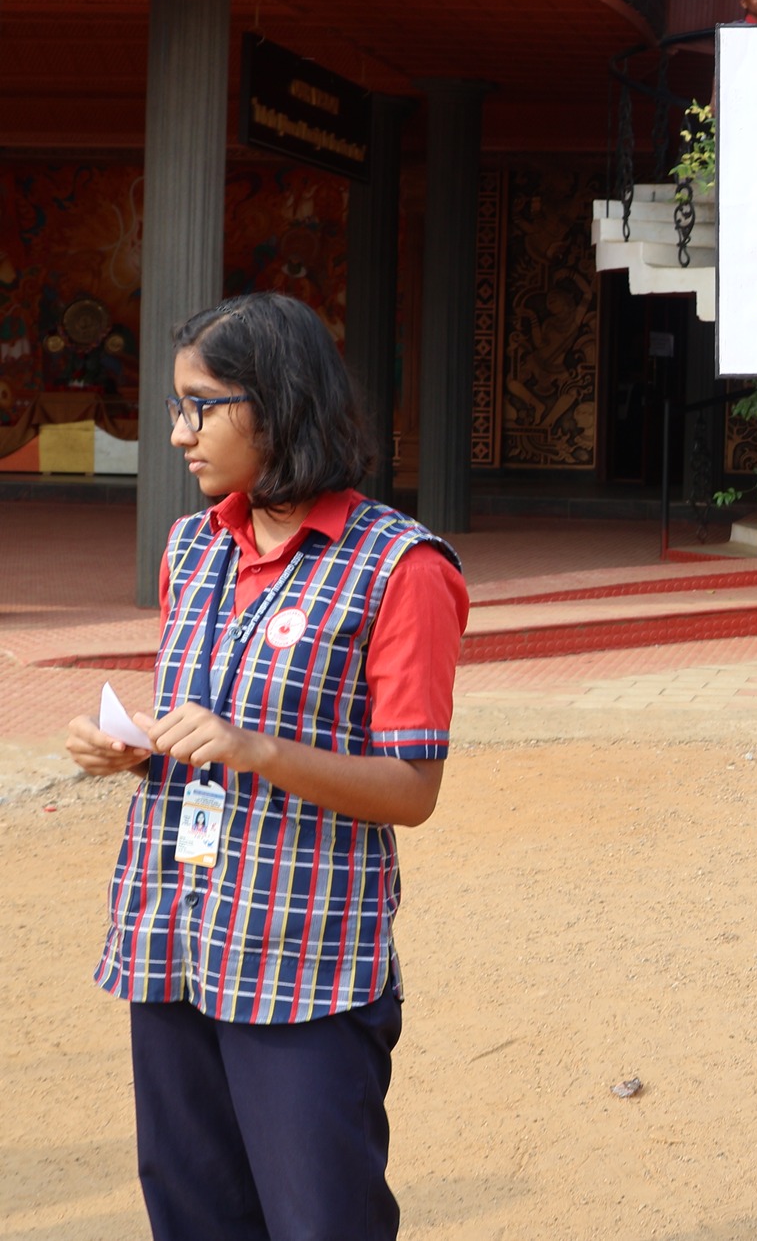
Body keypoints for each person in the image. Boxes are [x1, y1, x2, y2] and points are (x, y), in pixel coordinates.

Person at [62, 292, 468, 1241]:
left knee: (319, 1220)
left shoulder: (401, 569)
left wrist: (257, 752)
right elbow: (194, 727)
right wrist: (128, 749)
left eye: (200, 406)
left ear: (276, 404)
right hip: (173, 938)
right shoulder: (190, 548)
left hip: (303, 961)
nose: (178, 434)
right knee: (192, 1210)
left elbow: (413, 790)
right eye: (176, 408)